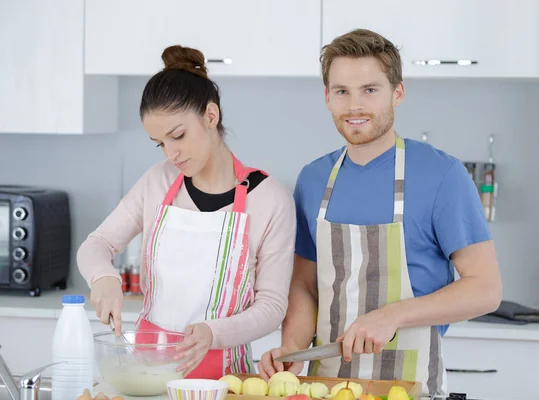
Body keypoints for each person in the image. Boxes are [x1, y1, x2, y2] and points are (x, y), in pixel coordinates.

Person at [258, 29, 502, 396]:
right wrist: (293, 348)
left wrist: (392, 315)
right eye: (342, 91)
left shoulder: (443, 176)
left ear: (397, 93)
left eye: (370, 90)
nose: (354, 106)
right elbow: (304, 284)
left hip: (412, 386)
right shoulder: (313, 179)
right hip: (325, 383)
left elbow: (486, 289)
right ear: (327, 98)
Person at [77, 45, 296, 379]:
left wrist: (213, 333)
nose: (172, 153)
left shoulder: (271, 200)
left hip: (225, 378)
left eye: (178, 135)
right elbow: (98, 243)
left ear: (211, 116)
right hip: (147, 374)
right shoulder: (157, 181)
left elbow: (272, 307)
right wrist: (104, 278)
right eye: (160, 143)